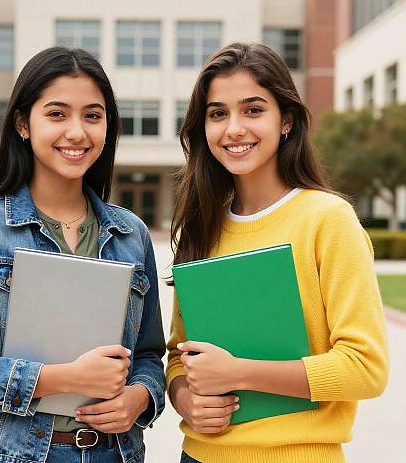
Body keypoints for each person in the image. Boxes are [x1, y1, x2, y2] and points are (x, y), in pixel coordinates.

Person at [0, 47, 166, 463]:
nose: (77, 132)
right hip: (8, 455)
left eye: (92, 115)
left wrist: (140, 398)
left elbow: (147, 356)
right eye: (56, 114)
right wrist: (60, 378)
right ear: (22, 124)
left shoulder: (131, 235)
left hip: (114, 454)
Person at [166, 42, 389, 463]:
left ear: (285, 121)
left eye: (253, 110)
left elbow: (365, 368)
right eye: (218, 114)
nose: (234, 129)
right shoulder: (202, 224)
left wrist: (239, 373)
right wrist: (184, 398)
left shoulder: (327, 218)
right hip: (198, 455)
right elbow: (181, 355)